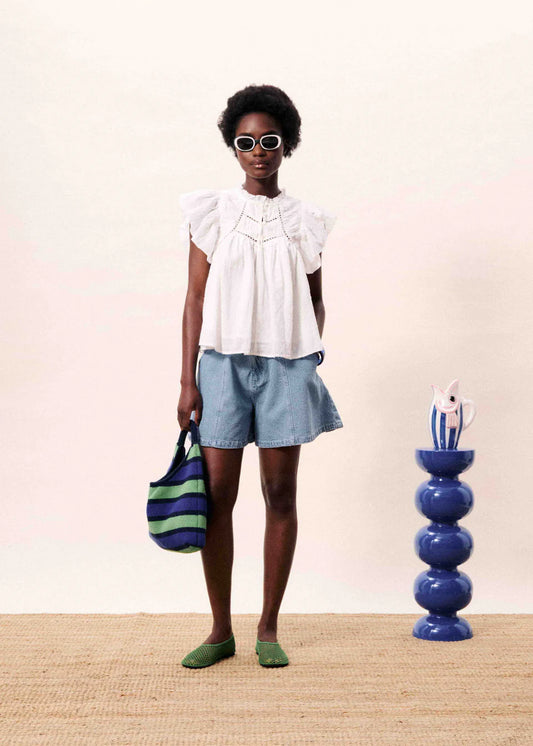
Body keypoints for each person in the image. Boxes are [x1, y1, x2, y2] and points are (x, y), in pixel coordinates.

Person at [177, 84, 343, 669]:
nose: (258, 152)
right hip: (221, 366)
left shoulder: (306, 220)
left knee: (280, 494)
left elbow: (316, 298)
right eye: (246, 142)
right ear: (233, 146)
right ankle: (220, 629)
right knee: (216, 496)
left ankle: (268, 628)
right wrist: (188, 380)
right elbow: (194, 300)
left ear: (286, 143)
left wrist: (304, 351)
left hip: (286, 369)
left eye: (269, 140)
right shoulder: (213, 212)